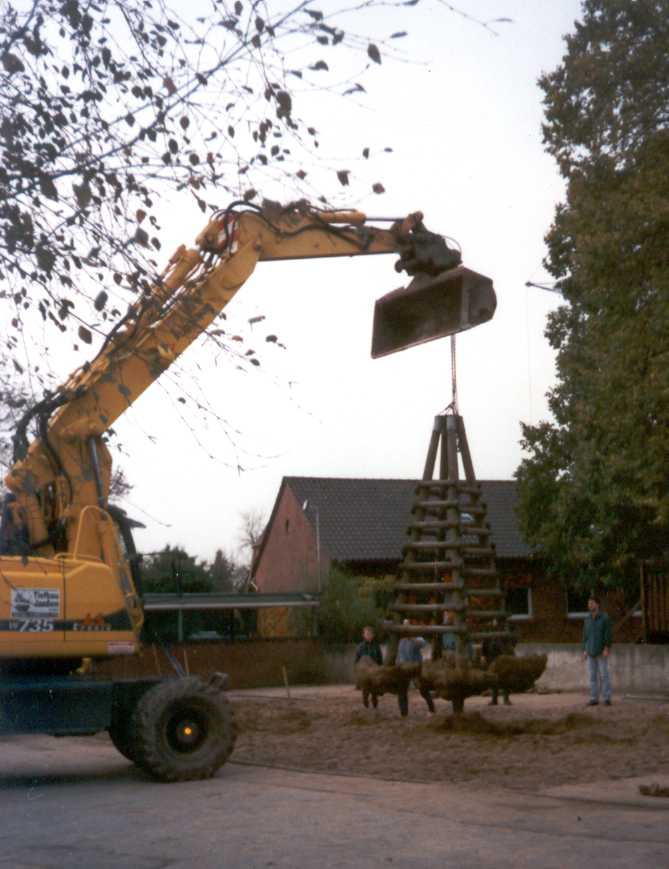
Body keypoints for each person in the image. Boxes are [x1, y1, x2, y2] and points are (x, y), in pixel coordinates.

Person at [396, 621, 435, 716]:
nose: (406, 629)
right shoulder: (401, 641)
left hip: (416, 668)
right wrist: (398, 663)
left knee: (423, 690)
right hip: (404, 669)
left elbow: (423, 643)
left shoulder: (417, 638)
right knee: (401, 691)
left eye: (407, 627)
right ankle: (404, 713)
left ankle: (432, 709)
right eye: (404, 627)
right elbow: (399, 655)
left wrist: (412, 638)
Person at [582, 594, 613, 706]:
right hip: (590, 651)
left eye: (592, 603)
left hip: (601, 651)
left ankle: (607, 698)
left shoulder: (605, 618)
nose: (590, 605)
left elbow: (608, 634)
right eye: (589, 603)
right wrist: (584, 650)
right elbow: (585, 636)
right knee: (592, 676)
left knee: (604, 675)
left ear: (597, 604)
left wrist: (606, 647)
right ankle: (594, 698)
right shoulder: (587, 619)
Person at [481, 620, 514, 706]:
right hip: (492, 657)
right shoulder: (489, 630)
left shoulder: (504, 629)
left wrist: (509, 654)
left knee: (505, 677)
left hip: (502, 657)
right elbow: (485, 643)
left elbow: (509, 644)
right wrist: (483, 655)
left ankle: (506, 699)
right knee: (493, 678)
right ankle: (494, 699)